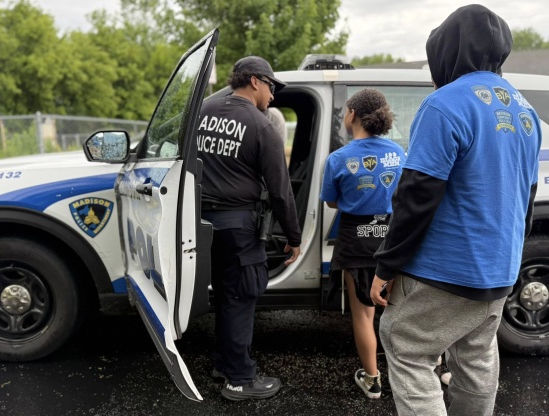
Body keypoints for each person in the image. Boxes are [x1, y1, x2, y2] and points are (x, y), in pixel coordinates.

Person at [369, 4, 541, 415]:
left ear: (447, 50)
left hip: (444, 269)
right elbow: (526, 198)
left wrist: (386, 266)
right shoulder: (526, 112)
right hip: (498, 270)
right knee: (477, 359)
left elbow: (416, 195)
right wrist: (510, 260)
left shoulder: (444, 104)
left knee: (407, 348)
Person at [198, 56, 301, 401]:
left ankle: (224, 363)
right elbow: (280, 190)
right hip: (240, 228)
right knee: (241, 297)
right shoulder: (261, 125)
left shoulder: (201, 113)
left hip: (200, 226)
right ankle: (239, 380)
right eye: (271, 87)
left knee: (226, 297)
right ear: (255, 81)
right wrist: (294, 237)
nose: (273, 96)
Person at [320, 88, 405, 399]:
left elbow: (330, 203)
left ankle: (372, 380)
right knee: (401, 312)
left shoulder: (339, 158)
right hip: (394, 238)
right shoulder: (399, 153)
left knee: (363, 315)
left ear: (352, 115)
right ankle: (418, 372)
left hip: (357, 241)